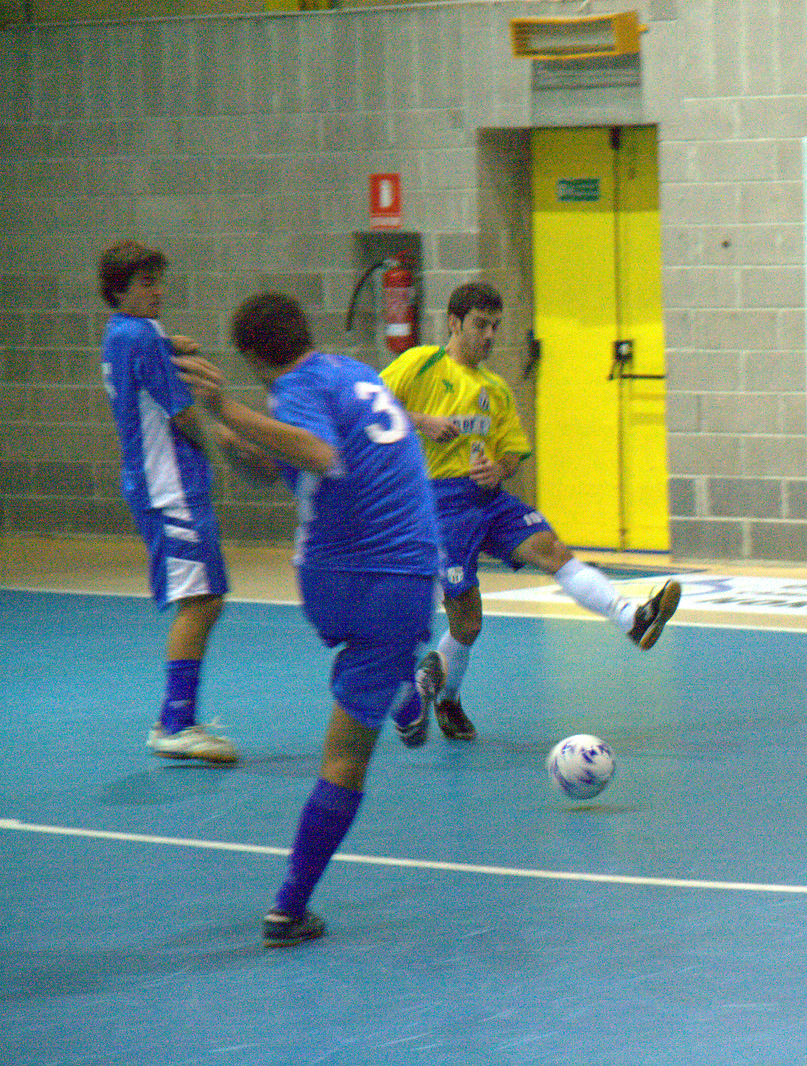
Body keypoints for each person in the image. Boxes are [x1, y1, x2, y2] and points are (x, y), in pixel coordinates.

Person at [175, 292, 442, 947]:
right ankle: (288, 909)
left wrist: (226, 417)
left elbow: (301, 458)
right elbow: (316, 456)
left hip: (329, 586)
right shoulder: (349, 373)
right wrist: (223, 422)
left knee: (373, 659)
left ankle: (399, 683)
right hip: (393, 578)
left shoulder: (294, 388)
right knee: (347, 758)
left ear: (254, 357)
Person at [380, 281, 679, 742]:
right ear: (455, 323)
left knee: (554, 550)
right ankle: (441, 695)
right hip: (436, 503)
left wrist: (498, 468)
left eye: (495, 327)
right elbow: (372, 409)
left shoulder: (495, 389)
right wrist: (422, 421)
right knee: (467, 621)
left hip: (487, 498)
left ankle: (632, 618)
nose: (490, 336)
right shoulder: (420, 364)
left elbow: (514, 451)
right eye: (481, 325)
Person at [98, 240, 271, 765]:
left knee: (204, 596)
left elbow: (159, 349)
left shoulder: (122, 333)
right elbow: (183, 413)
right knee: (201, 600)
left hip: (160, 484)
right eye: (145, 283)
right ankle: (174, 723)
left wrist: (176, 346)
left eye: (158, 279)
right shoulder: (142, 336)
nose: (158, 290)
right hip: (169, 486)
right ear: (119, 291)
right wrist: (228, 441)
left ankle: (179, 718)